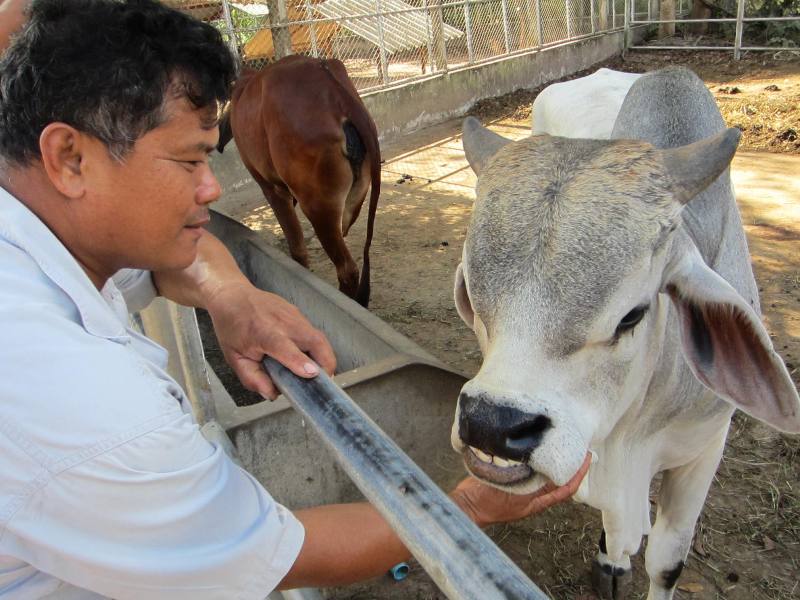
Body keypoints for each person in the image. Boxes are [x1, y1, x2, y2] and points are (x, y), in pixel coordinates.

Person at [0, 1, 590, 599]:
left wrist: (230, 295)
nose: (210, 186)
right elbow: (271, 553)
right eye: (189, 160)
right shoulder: (80, 402)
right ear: (70, 158)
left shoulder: (43, 232)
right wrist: (467, 507)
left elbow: (176, 262)